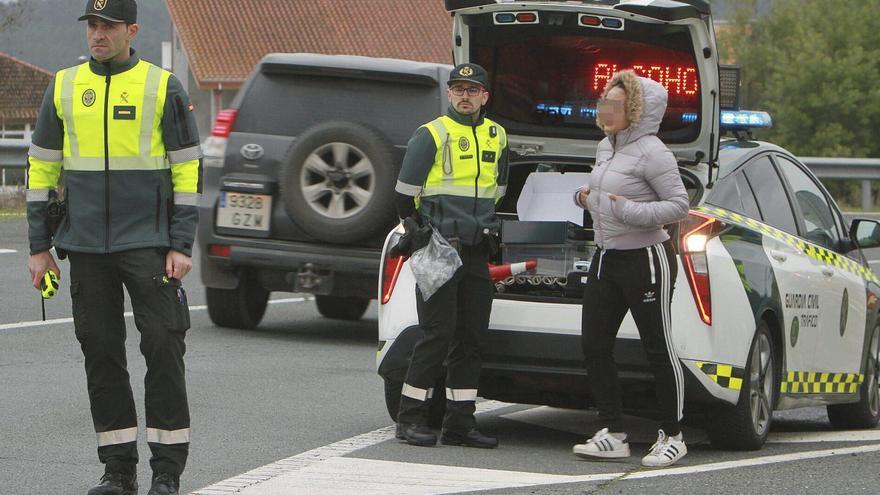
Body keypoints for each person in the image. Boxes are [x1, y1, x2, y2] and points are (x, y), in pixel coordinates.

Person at [25, 0, 201, 493]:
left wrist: (180, 243)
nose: (98, 34)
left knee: (164, 347)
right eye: (93, 25)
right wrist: (39, 248)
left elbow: (187, 169)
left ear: (132, 31)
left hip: (148, 243)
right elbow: (41, 171)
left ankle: (166, 472)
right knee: (101, 354)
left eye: (109, 26)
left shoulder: (162, 85)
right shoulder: (64, 86)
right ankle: (118, 470)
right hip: (84, 246)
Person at [571, 70, 689, 467]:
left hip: (646, 258)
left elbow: (678, 206)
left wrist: (626, 209)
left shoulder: (654, 152)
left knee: (657, 347)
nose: (606, 110)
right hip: (606, 256)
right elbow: (603, 196)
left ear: (636, 110)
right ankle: (613, 433)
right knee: (594, 344)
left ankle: (673, 435)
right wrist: (584, 197)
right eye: (603, 101)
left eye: (616, 104)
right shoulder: (606, 146)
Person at [392, 63, 509, 448]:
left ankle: (460, 422)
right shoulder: (431, 134)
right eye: (458, 89)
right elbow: (402, 196)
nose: (464, 95)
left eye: (472, 90)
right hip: (439, 248)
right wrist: (419, 231)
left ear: (484, 97)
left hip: (476, 252)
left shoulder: (498, 136)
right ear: (449, 94)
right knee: (436, 334)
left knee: (472, 337)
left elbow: (499, 191)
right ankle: (410, 419)